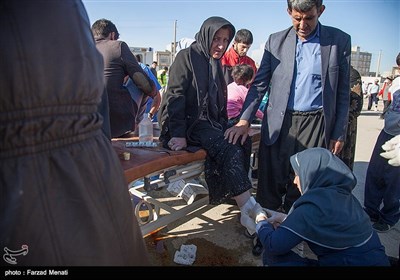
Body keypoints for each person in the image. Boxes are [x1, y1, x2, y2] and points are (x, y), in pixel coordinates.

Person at [0, 0, 148, 265]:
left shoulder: (89, 46)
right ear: (113, 35)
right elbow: (133, 83)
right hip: (86, 155)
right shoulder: (109, 44)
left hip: (60, 156)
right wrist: (153, 95)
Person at [225, 0, 351, 214]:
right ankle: (264, 231)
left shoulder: (338, 41)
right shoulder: (276, 41)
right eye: (297, 18)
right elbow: (260, 84)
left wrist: (338, 132)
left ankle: (292, 233)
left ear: (320, 11)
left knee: (303, 183)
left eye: (309, 18)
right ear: (288, 12)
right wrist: (244, 120)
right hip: (278, 121)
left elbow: (342, 93)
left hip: (315, 123)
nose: (303, 25)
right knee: (269, 180)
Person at [158, 16, 267, 239]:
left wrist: (231, 125)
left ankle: (234, 195)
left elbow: (219, 100)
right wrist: (178, 134)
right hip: (187, 125)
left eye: (225, 40)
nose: (220, 45)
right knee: (229, 147)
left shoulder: (214, 62)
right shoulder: (186, 56)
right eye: (216, 39)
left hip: (209, 123)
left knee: (241, 139)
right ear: (206, 34)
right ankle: (248, 209)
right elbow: (175, 97)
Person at [255, 148, 390, 266]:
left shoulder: (311, 207)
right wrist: (284, 218)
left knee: (273, 258)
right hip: (376, 260)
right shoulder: (345, 198)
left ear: (312, 174)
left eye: (298, 174)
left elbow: (274, 245)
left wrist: (261, 221)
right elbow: (321, 223)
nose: (295, 181)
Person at [91, 19, 157, 138]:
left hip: (86, 123)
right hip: (114, 124)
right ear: (112, 35)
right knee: (140, 80)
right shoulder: (117, 46)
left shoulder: (80, 48)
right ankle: (134, 125)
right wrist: (154, 91)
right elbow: (145, 85)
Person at [364, 52, 400, 233]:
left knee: (394, 180)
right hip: (388, 132)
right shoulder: (396, 83)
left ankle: (389, 216)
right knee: (375, 172)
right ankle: (370, 210)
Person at [123, 55, 161, 127]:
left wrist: (150, 115)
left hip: (147, 121)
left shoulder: (143, 70)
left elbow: (157, 98)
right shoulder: (115, 72)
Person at [338, 65, 363, 170]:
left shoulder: (352, 74)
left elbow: (356, 107)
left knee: (342, 165)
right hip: (328, 124)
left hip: (345, 127)